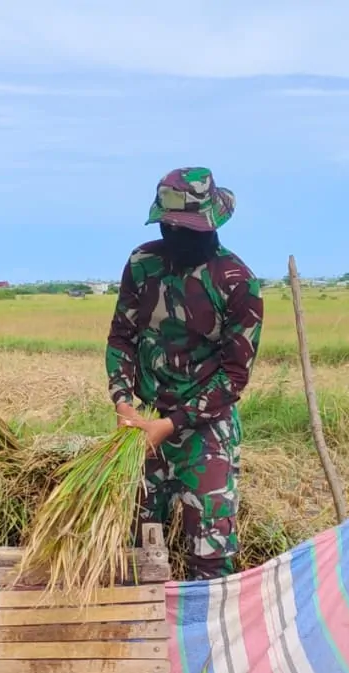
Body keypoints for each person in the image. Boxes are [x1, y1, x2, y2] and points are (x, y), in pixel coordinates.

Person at [106, 167, 263, 580]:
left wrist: (173, 423)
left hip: (205, 429)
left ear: (210, 226)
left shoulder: (236, 283)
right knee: (133, 542)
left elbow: (233, 375)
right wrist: (124, 402)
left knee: (211, 553)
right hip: (143, 424)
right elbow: (122, 336)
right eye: (169, 227)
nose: (176, 237)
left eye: (187, 229)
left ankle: (204, 636)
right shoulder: (143, 264)